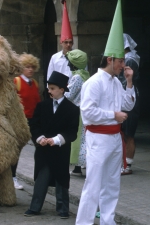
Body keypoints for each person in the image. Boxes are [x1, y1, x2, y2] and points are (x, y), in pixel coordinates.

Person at [76, 1, 135, 224]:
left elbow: (127, 106)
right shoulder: (93, 83)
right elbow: (88, 113)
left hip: (113, 139)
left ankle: (108, 220)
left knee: (112, 184)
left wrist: (129, 82)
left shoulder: (116, 82)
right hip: (98, 138)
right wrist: (113, 115)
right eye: (121, 61)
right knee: (93, 184)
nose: (123, 65)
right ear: (110, 59)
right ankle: (84, 222)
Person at [24, 71, 79, 219]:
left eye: (53, 88)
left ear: (62, 89)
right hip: (43, 149)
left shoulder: (72, 109)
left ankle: (63, 209)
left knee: (62, 179)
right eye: (49, 88)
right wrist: (40, 138)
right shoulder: (42, 106)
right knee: (41, 178)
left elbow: (72, 132)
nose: (49, 91)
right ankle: (35, 207)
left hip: (60, 150)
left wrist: (56, 140)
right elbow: (34, 125)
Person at [13, 53, 41, 190]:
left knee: (40, 147)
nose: (30, 69)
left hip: (34, 121)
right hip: (20, 120)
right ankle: (12, 177)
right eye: (27, 67)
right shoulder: (17, 81)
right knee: (16, 150)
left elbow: (37, 102)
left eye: (32, 67)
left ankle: (39, 178)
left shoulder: (35, 83)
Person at [64, 49, 90, 176]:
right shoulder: (86, 75)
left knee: (77, 140)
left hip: (77, 112)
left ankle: (78, 166)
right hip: (84, 111)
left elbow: (69, 95)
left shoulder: (77, 77)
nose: (68, 65)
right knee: (84, 140)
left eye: (70, 62)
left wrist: (61, 90)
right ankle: (79, 167)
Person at [119, 33, 140, 175]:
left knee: (129, 134)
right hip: (123, 98)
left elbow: (125, 81)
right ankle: (123, 162)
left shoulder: (130, 60)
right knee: (122, 133)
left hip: (130, 98)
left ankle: (128, 164)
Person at [46, 0, 73, 83]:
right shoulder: (55, 58)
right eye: (66, 42)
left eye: (70, 42)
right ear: (61, 43)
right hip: (59, 91)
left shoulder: (78, 57)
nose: (68, 45)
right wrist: (50, 90)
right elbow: (50, 74)